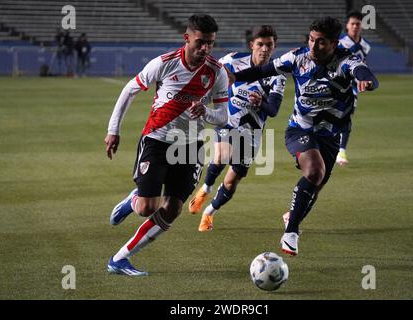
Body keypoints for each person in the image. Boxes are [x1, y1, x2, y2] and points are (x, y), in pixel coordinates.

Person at [229, 16, 379, 256]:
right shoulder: (297, 58)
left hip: (331, 135)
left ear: (333, 44)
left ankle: (292, 216)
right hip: (300, 129)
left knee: (315, 185)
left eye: (320, 42)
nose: (313, 46)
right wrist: (233, 77)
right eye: (311, 40)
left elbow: (364, 72)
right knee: (315, 171)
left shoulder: (347, 60)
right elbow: (262, 70)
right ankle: (291, 232)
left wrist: (366, 81)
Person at [104, 14, 229, 276]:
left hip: (190, 145)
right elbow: (130, 90)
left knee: (173, 208)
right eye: (200, 42)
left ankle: (119, 259)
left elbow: (223, 117)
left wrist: (205, 112)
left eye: (211, 43)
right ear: (187, 38)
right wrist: (113, 130)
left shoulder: (216, 72)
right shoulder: (164, 63)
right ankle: (133, 200)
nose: (205, 48)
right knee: (147, 208)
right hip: (157, 140)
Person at [188, 25, 286, 232]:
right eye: (260, 44)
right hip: (228, 122)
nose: (264, 49)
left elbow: (274, 110)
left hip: (252, 134)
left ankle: (209, 212)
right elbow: (210, 73)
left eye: (269, 45)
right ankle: (205, 188)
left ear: (274, 47)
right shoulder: (232, 61)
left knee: (232, 182)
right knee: (222, 155)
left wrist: (261, 103)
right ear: (252, 45)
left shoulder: (277, 76)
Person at [336, 11, 371, 166]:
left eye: (358, 24)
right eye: (353, 24)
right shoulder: (340, 44)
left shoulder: (365, 46)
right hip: (335, 86)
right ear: (347, 26)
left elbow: (363, 65)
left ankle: (341, 151)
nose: (355, 27)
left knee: (346, 117)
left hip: (352, 88)